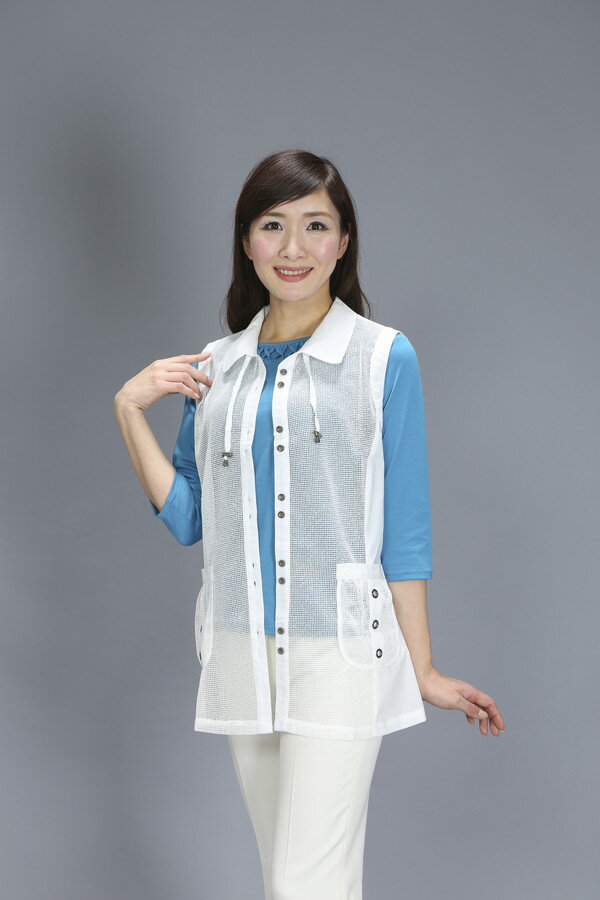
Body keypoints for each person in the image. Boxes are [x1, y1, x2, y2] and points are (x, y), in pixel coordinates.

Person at [114, 148, 505, 900]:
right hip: (238, 650)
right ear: (246, 241)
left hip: (340, 653)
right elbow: (190, 520)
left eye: (315, 226)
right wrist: (130, 411)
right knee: (286, 877)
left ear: (343, 240)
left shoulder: (383, 358)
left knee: (306, 883)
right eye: (272, 225)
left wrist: (421, 668)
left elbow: (405, 530)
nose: (293, 247)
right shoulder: (215, 368)